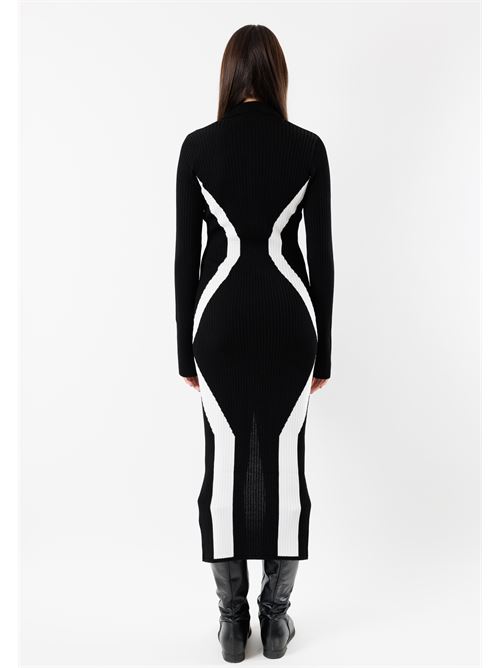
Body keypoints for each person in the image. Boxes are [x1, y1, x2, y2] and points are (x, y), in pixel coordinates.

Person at [174, 24, 334, 663]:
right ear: (276, 76)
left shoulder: (197, 148)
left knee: (224, 465)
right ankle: (276, 620)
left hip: (217, 323)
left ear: (229, 76)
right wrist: (325, 353)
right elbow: (320, 258)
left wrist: (183, 351)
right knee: (285, 464)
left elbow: (186, 258)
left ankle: (230, 622)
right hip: (291, 320)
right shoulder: (308, 148)